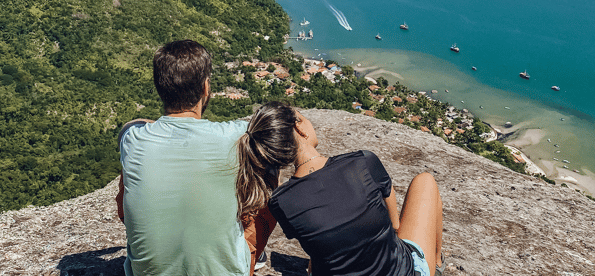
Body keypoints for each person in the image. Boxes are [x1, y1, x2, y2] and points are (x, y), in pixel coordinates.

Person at [117, 40, 275, 276]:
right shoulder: (235, 136)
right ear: (206, 87)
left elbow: (130, 126)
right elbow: (275, 127)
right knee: (268, 168)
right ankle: (251, 254)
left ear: (160, 87)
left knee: (128, 184)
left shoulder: (132, 140)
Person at [236, 102, 444, 276]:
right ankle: (437, 263)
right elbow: (394, 225)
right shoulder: (362, 162)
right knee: (425, 181)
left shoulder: (281, 202)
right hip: (402, 271)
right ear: (299, 127)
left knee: (320, 252)